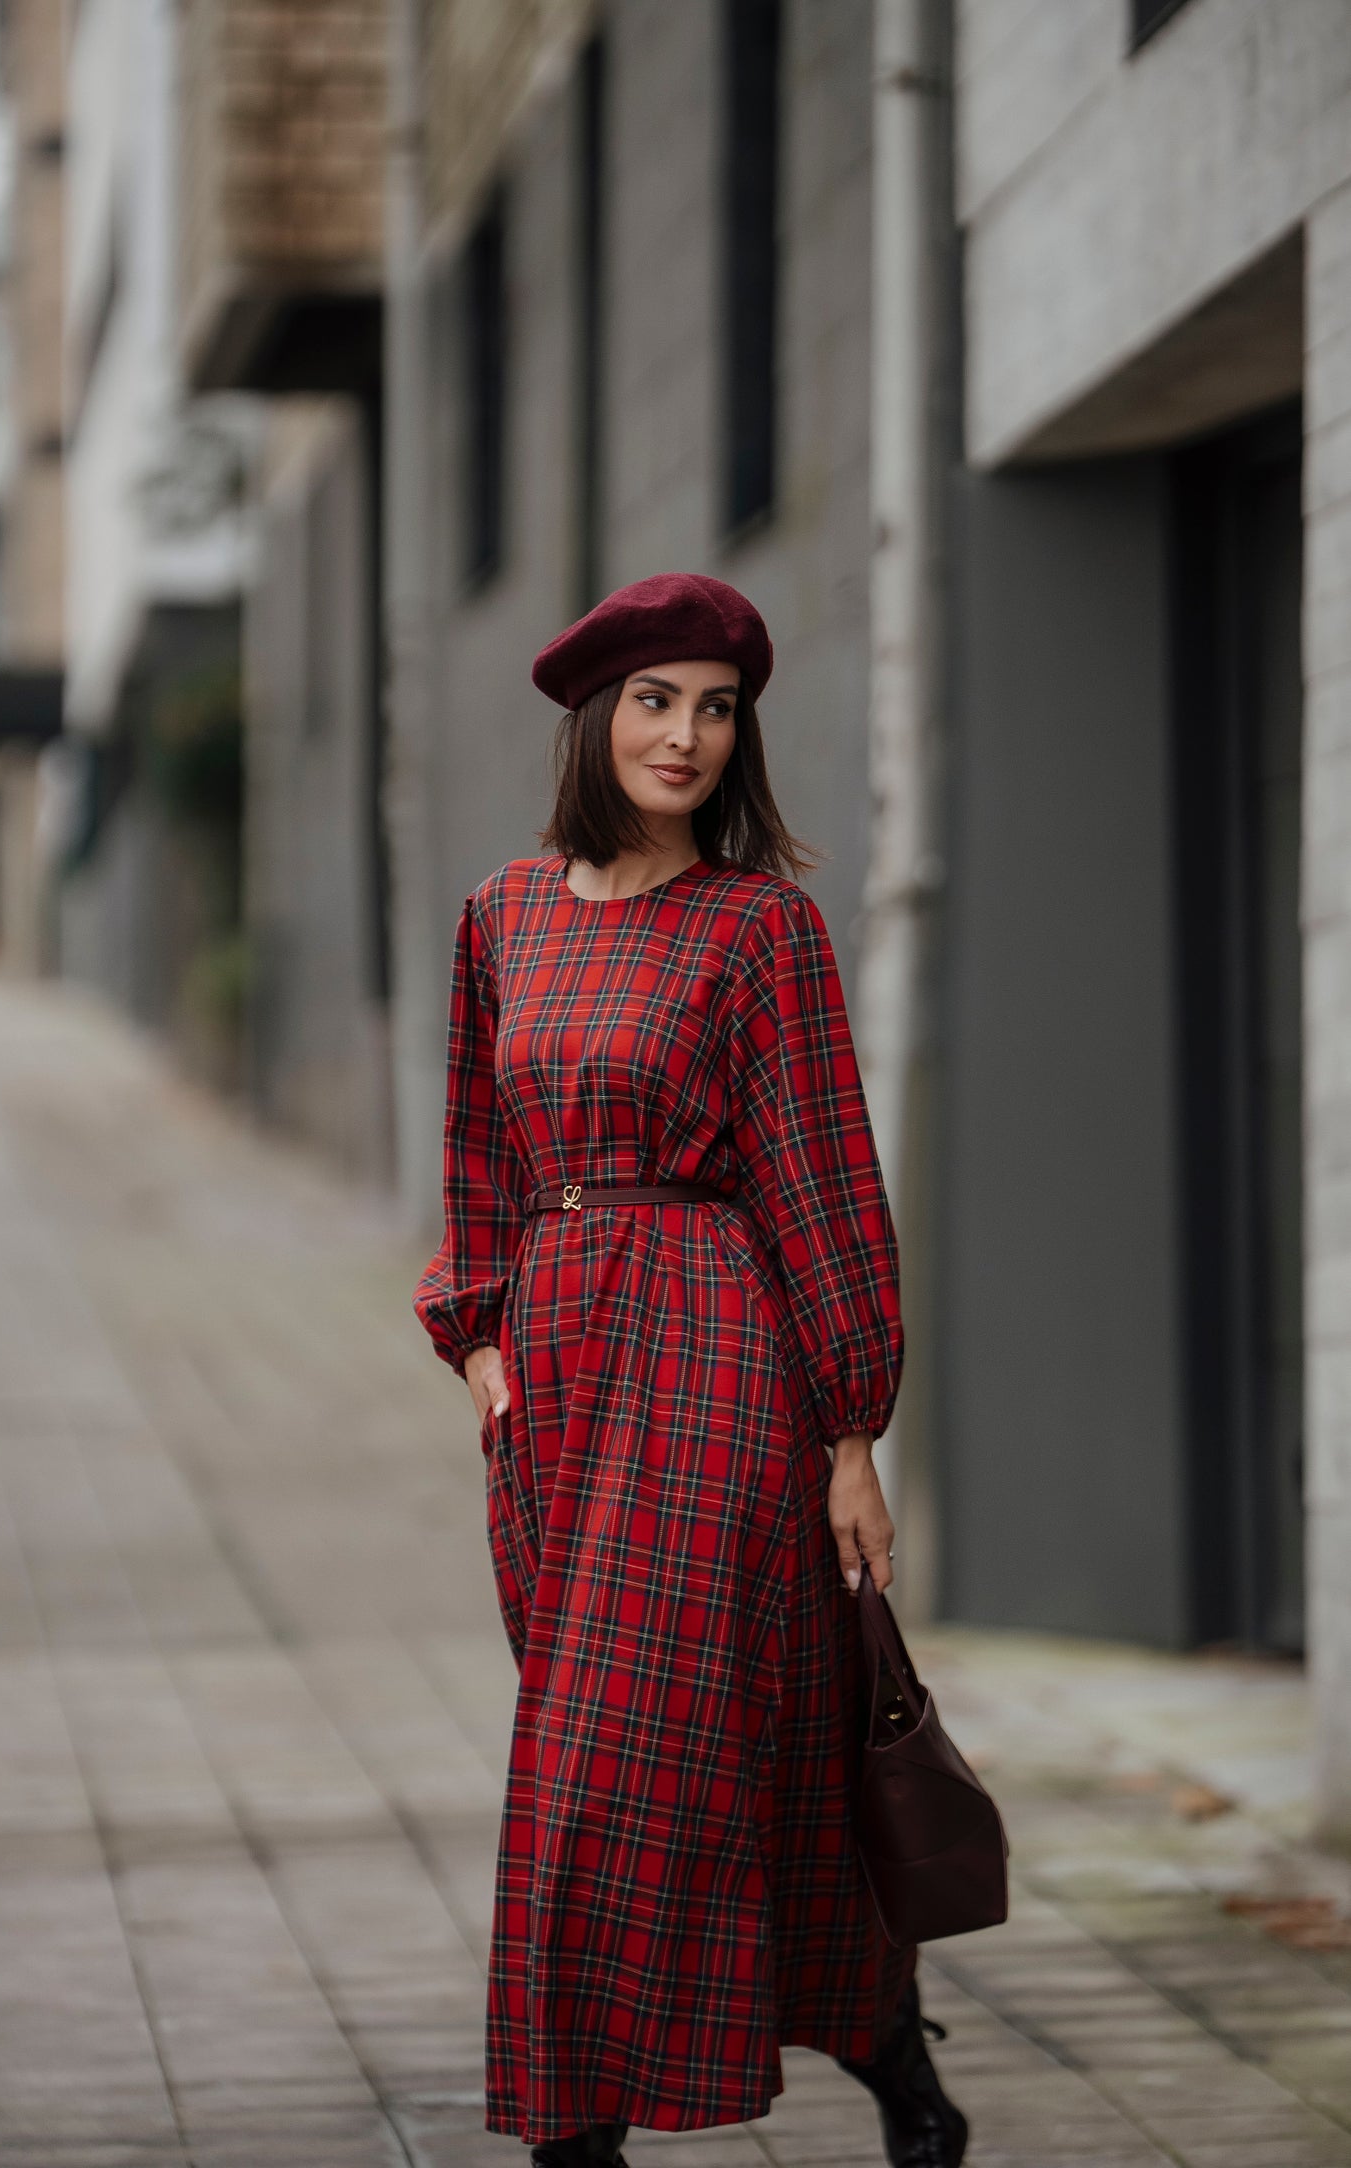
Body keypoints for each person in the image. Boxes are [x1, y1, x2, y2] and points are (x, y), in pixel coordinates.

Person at [412, 573, 968, 2168]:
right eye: (658, 700)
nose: (689, 736)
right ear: (596, 717)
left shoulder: (758, 928)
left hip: (720, 1361)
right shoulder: (500, 918)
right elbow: (474, 1163)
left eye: (718, 708)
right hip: (559, 1390)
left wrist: (849, 1428)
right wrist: (483, 1355)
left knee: (597, 1764)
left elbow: (821, 1182)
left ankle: (567, 2137)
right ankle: (895, 2069)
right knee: (732, 1761)